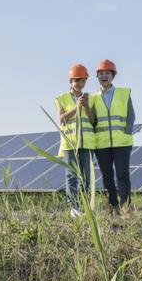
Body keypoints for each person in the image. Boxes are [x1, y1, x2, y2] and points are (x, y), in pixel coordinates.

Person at [91, 59, 135, 215]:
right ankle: (113, 205)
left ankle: (125, 206)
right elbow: (92, 119)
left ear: (113, 75)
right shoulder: (92, 98)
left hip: (122, 142)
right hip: (102, 144)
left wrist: (127, 131)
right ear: (97, 77)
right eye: (101, 73)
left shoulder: (123, 93)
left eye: (107, 73)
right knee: (107, 176)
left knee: (123, 175)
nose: (104, 76)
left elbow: (131, 115)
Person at [55, 64, 96, 217]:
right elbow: (61, 119)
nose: (79, 83)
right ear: (71, 81)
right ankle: (74, 208)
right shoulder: (61, 98)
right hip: (70, 143)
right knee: (71, 175)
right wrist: (76, 108)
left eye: (82, 80)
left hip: (86, 143)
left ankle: (85, 206)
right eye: (76, 80)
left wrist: (86, 107)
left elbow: (93, 120)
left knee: (86, 176)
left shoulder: (89, 98)